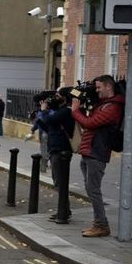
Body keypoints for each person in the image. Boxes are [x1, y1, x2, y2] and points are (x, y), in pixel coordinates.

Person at [72, 75, 125, 237]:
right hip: (88, 151)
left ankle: (101, 225)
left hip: (97, 153)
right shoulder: (102, 105)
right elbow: (88, 122)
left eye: (99, 87)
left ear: (109, 87)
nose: (96, 90)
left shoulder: (113, 107)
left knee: (94, 190)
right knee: (90, 189)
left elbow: (90, 123)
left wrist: (75, 110)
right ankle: (99, 223)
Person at [34, 87, 75, 222]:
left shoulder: (66, 111)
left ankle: (63, 213)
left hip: (61, 150)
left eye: (57, 95)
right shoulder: (60, 111)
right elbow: (49, 127)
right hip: (55, 149)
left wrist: (44, 110)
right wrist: (39, 119)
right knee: (58, 182)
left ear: (64, 97)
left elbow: (50, 121)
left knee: (60, 183)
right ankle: (64, 210)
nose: (54, 98)